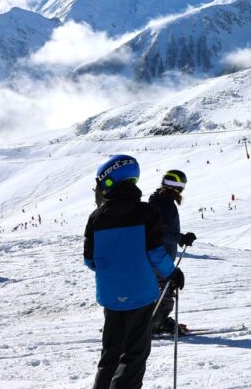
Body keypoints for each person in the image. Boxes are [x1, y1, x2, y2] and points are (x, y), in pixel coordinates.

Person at [85, 155, 181, 389]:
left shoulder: (96, 217)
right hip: (140, 295)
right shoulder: (146, 212)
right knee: (134, 356)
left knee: (110, 355)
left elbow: (90, 260)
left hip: (111, 296)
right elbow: (155, 253)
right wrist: (173, 273)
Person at [148, 169, 195, 337]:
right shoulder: (164, 204)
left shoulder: (159, 201)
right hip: (159, 257)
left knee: (160, 292)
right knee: (165, 295)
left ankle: (153, 321)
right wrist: (181, 238)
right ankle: (154, 324)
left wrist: (180, 238)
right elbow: (161, 231)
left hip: (160, 256)